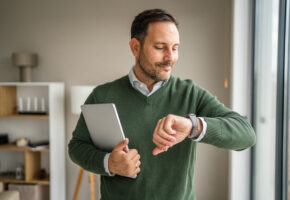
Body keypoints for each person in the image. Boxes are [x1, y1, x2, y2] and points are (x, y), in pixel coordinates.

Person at [68, 8, 256, 200]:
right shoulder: (102, 95)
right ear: (135, 47)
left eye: (175, 48)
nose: (170, 57)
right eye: (160, 47)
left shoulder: (191, 94)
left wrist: (193, 126)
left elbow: (246, 134)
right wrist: (109, 163)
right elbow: (76, 147)